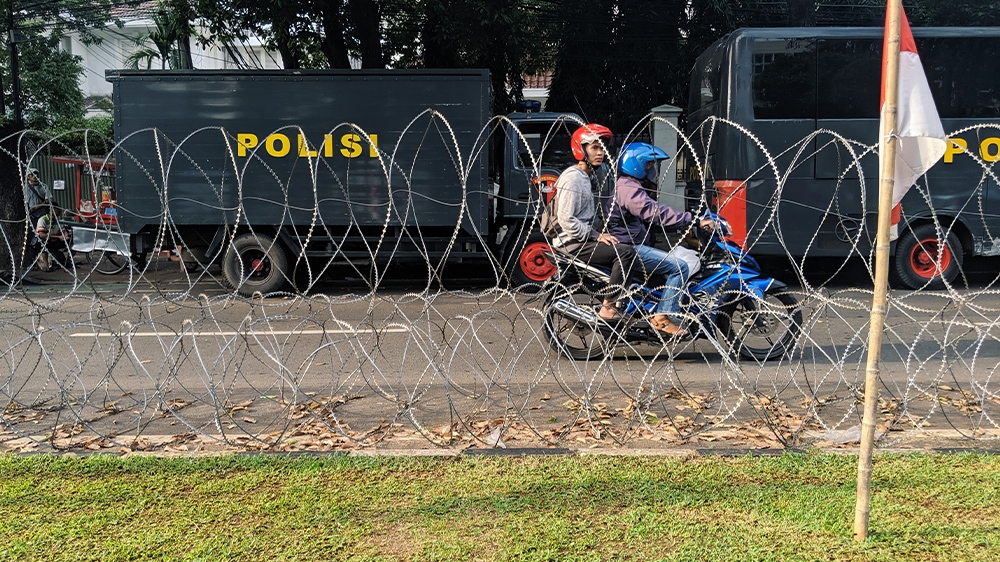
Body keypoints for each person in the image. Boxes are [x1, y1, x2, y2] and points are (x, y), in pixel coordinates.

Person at [604, 142, 714, 337]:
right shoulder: (628, 189)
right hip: (631, 248)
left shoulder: (630, 187)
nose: (653, 170)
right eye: (649, 165)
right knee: (679, 267)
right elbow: (655, 213)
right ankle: (663, 316)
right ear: (636, 165)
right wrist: (693, 220)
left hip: (633, 244)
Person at [545, 123, 637, 321]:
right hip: (571, 243)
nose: (600, 153)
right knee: (625, 253)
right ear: (581, 149)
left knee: (620, 244)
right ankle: (609, 306)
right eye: (595, 147)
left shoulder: (585, 177)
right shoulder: (574, 178)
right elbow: (566, 219)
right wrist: (596, 235)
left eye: (602, 148)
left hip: (579, 240)